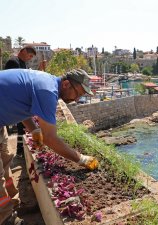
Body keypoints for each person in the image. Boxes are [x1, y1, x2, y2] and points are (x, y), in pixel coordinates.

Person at [0, 68, 99, 225]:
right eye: (78, 93)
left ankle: (13, 204)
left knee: (5, 162)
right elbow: (51, 139)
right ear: (66, 84)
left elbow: (23, 106)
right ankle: (5, 219)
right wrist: (80, 159)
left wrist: (35, 130)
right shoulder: (47, 90)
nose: (77, 99)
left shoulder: (46, 82)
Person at [5, 45, 37, 158]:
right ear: (23, 51)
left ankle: (20, 150)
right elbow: (13, 82)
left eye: (31, 57)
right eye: (30, 55)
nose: (30, 58)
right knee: (21, 126)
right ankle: (20, 151)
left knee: (21, 127)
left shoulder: (22, 63)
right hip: (14, 100)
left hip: (19, 100)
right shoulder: (13, 62)